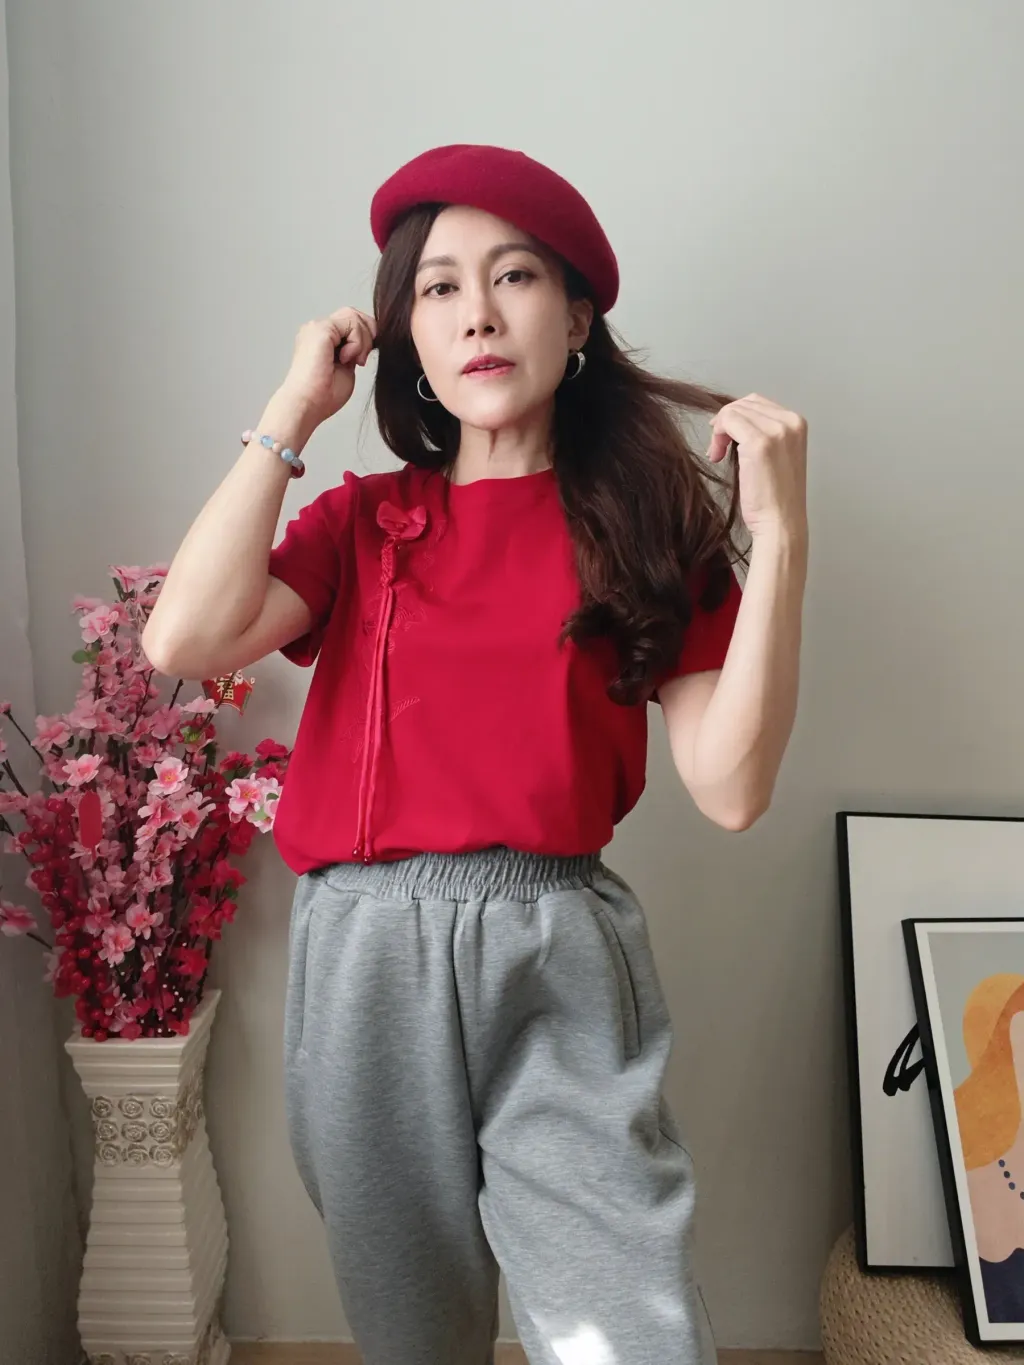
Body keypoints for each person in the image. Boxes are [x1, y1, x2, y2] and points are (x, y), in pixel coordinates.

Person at [143, 144, 808, 1365]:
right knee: (414, 1332)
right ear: (408, 333)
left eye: (514, 277)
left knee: (630, 1326)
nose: (478, 315)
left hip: (555, 951)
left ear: (577, 318)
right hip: (364, 960)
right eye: (439, 288)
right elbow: (182, 638)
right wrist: (292, 411)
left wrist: (783, 538)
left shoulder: (644, 531)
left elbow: (731, 789)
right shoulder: (365, 521)